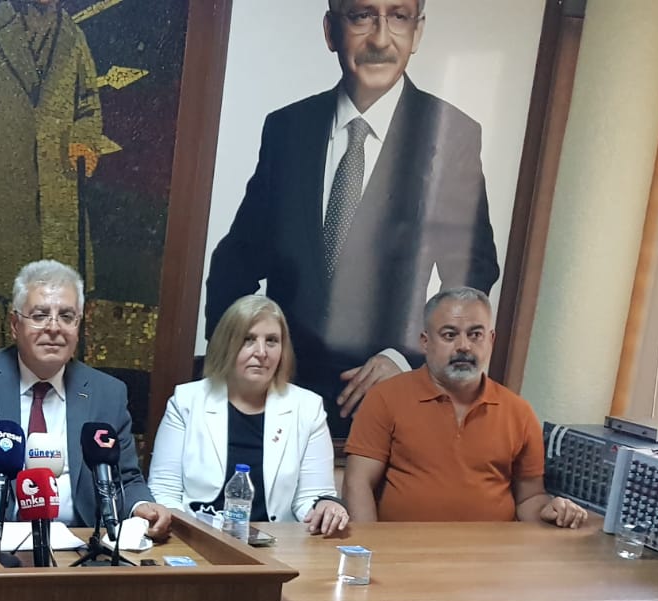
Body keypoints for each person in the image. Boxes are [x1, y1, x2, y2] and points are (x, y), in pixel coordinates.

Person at [204, 0, 499, 436]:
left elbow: (472, 275)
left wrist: (407, 359)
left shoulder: (451, 135)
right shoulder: (288, 128)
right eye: (362, 16)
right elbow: (236, 260)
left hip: (384, 409)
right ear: (330, 31)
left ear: (417, 32)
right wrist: (231, 366)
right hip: (277, 400)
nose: (380, 38)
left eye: (398, 17)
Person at [0, 259, 173, 537]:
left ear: (78, 326)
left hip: (82, 542)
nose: (54, 327)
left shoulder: (107, 393)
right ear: (15, 324)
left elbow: (127, 479)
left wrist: (141, 506)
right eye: (40, 315)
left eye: (66, 316)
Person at [343, 287, 587, 527]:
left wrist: (551, 511)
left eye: (475, 335)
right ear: (425, 342)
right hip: (403, 549)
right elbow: (358, 483)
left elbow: (529, 498)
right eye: (450, 335)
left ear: (491, 340)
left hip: (492, 550)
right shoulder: (385, 398)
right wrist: (368, 546)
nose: (464, 346)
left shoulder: (518, 412)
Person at [0, 0, 104, 348]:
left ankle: (53, 370)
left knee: (57, 298)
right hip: (0, 186)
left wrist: (84, 139)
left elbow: (88, 103)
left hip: (58, 190)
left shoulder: (72, 35)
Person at [150, 296, 349, 536]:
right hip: (197, 537)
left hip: (274, 543)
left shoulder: (308, 408)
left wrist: (324, 507)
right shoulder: (186, 401)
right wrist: (187, 535)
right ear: (226, 345)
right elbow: (164, 490)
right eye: (248, 339)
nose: (261, 352)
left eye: (272, 341)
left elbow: (310, 497)